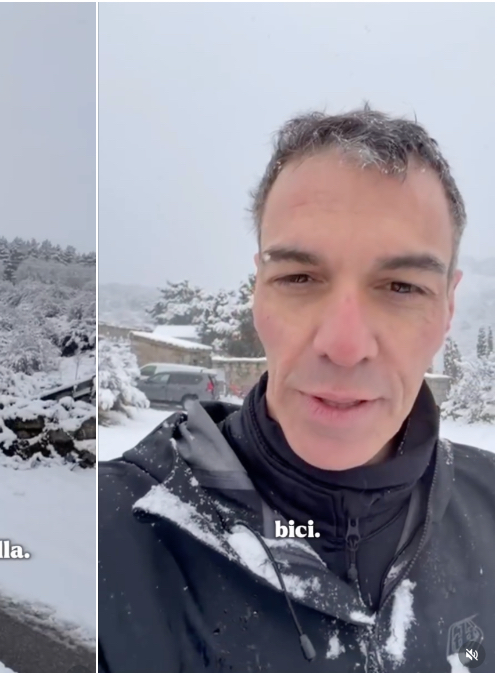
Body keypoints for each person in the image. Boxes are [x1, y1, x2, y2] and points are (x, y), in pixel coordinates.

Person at [99, 107, 494, 672]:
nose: (345, 344)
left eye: (402, 286)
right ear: (258, 290)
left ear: (449, 305)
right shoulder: (112, 536)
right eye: (300, 278)